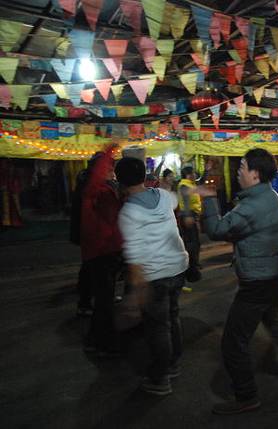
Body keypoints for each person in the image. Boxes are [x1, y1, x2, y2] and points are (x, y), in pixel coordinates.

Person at [200, 148, 278, 415]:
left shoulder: (251, 205)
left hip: (256, 283)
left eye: (242, 167)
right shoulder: (270, 195)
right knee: (275, 323)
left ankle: (246, 396)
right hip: (274, 275)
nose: (238, 172)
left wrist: (209, 199)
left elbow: (216, 229)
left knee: (233, 342)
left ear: (255, 174)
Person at [115, 157, 189, 396]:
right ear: (143, 176)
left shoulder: (129, 212)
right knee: (173, 316)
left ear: (120, 181)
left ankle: (160, 378)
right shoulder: (163, 196)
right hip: (178, 268)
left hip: (156, 274)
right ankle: (174, 364)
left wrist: (135, 292)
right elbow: (177, 200)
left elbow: (135, 257)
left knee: (158, 327)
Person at [81, 145, 123, 356]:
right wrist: (110, 149)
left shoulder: (103, 190)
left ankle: (96, 340)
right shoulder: (96, 190)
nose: (112, 172)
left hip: (105, 251)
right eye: (109, 168)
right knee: (104, 302)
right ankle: (103, 344)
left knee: (104, 300)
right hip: (101, 252)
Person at [70, 153, 102, 317]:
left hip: (93, 231)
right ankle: (84, 303)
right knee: (90, 266)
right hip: (89, 231)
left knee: (97, 266)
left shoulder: (88, 179)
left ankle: (97, 297)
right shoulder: (88, 182)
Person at [177, 166, 202, 283]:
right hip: (188, 216)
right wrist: (188, 216)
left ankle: (194, 266)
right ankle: (191, 271)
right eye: (193, 173)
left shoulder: (190, 184)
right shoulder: (184, 185)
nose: (195, 175)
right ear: (188, 174)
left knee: (194, 243)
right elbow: (186, 200)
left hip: (191, 215)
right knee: (192, 244)